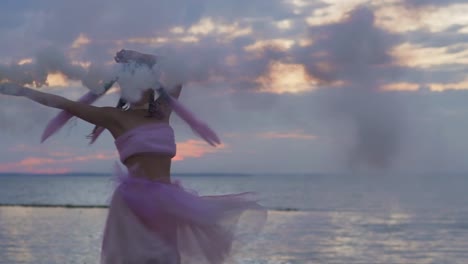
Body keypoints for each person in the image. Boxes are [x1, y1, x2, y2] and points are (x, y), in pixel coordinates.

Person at [0, 49, 267, 264]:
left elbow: (177, 68)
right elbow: (63, 103)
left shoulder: (163, 111)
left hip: (169, 199)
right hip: (135, 201)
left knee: (167, 259)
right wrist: (22, 91)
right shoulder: (115, 117)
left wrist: (138, 57)